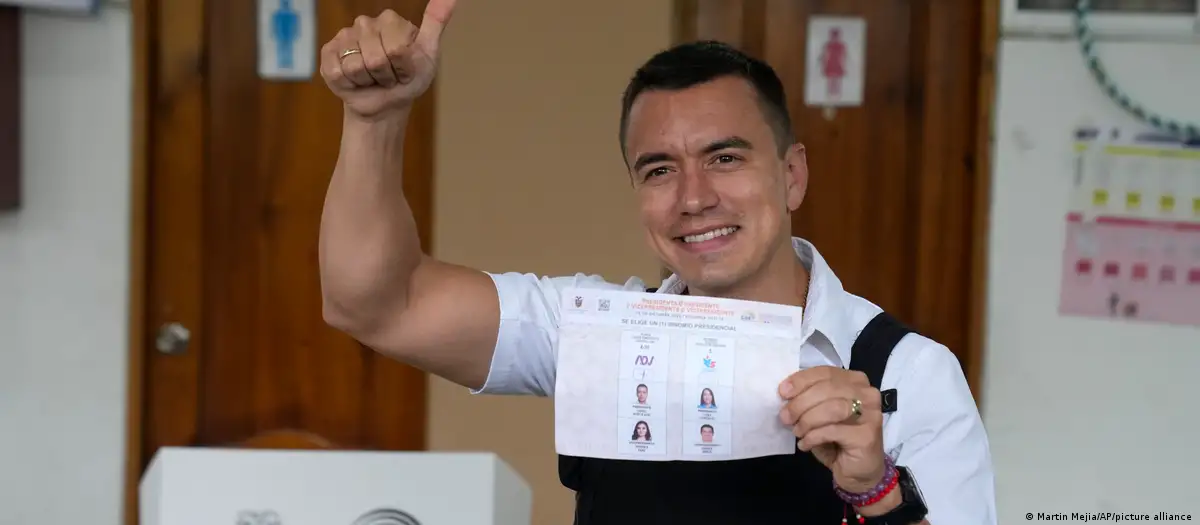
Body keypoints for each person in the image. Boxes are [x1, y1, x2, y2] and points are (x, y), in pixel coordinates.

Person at [316, 1, 995, 524]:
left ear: (792, 176)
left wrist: (876, 490)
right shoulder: (595, 335)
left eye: (725, 157)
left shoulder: (908, 373)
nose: (694, 198)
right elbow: (377, 303)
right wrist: (375, 119)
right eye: (660, 169)